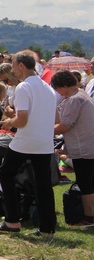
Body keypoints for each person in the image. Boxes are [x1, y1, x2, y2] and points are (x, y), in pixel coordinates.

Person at [0, 50, 57, 237]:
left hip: (26, 139)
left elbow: (22, 120)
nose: (12, 70)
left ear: (21, 66)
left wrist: (9, 121)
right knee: (43, 184)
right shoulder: (47, 87)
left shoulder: (23, 87)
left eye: (13, 66)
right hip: (44, 142)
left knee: (5, 172)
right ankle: (47, 229)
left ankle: (12, 220)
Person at [52, 70, 94, 227]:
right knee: (90, 182)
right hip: (90, 146)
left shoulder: (73, 100)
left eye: (57, 89)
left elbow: (65, 126)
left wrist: (44, 130)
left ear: (64, 85)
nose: (58, 93)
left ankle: (89, 218)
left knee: (85, 184)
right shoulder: (82, 95)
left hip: (83, 149)